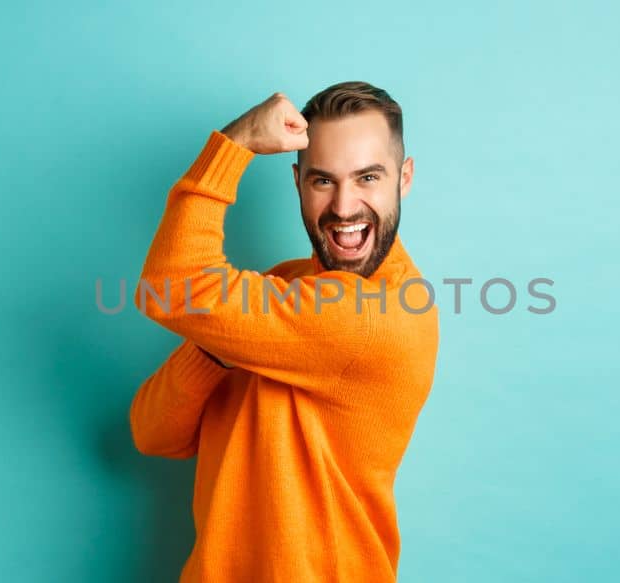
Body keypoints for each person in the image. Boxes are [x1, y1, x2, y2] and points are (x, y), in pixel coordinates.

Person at [128, 81, 440, 582]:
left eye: (367, 177)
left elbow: (170, 287)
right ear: (297, 182)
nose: (344, 207)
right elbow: (152, 433)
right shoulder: (285, 285)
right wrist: (220, 347)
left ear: (404, 179)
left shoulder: (379, 316)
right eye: (323, 181)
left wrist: (237, 143)